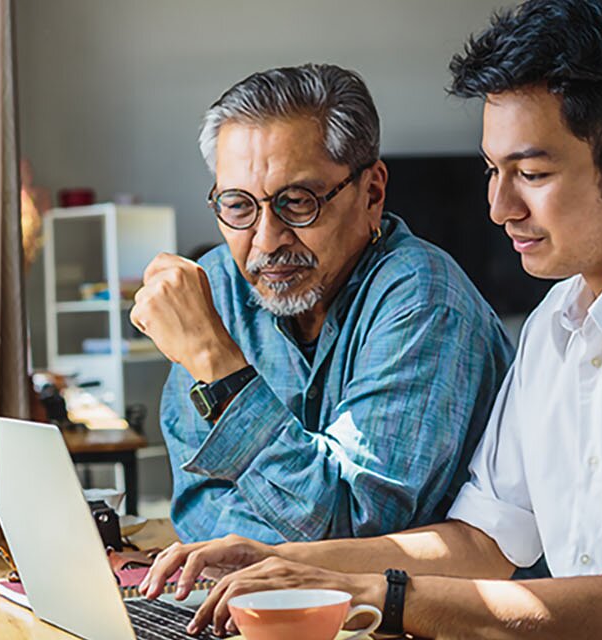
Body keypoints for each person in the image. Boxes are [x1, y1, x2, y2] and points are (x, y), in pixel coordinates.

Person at [137, 2, 602, 639]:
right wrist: (290, 562)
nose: (499, 208)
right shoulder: (558, 321)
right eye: (493, 171)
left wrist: (387, 597)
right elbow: (483, 539)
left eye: (533, 173)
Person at [128, 63, 515, 544]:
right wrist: (258, 556)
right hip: (264, 605)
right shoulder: (218, 287)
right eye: (238, 205)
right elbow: (199, 502)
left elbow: (353, 523)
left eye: (297, 201)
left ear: (371, 193)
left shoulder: (424, 300)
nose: (266, 240)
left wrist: (218, 364)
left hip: (414, 616)